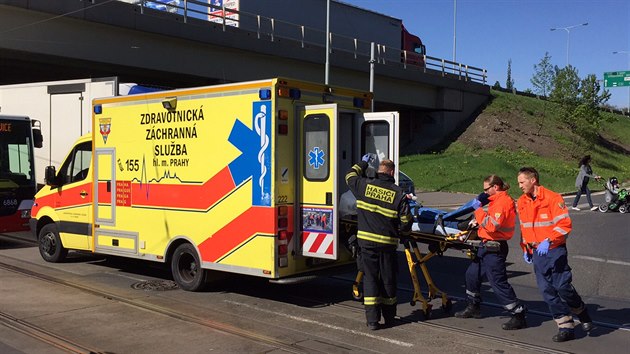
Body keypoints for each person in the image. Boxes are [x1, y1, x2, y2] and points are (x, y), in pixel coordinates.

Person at [516, 167, 593, 342]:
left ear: (533, 180)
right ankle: (565, 326)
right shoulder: (521, 202)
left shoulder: (553, 198)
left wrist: (549, 240)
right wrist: (525, 248)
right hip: (537, 252)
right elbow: (524, 228)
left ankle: (580, 310)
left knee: (562, 287)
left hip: (555, 250)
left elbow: (564, 224)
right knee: (546, 291)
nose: (519, 185)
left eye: (522, 182)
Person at [346, 154, 412, 330]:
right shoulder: (398, 194)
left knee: (370, 280)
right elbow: (406, 220)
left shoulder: (364, 185)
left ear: (378, 171)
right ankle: (390, 318)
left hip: (366, 243)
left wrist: (363, 162)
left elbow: (350, 176)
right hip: (387, 244)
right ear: (391, 172)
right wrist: (403, 232)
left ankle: (372, 321)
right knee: (388, 280)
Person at [455, 175, 527, 330]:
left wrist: (478, 211)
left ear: (496, 187)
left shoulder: (503, 202)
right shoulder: (495, 201)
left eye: (486, 189)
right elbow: (488, 223)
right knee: (472, 275)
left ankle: (518, 314)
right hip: (486, 245)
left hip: (495, 247)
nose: (485, 193)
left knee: (497, 282)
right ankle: (473, 306)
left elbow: (492, 226)